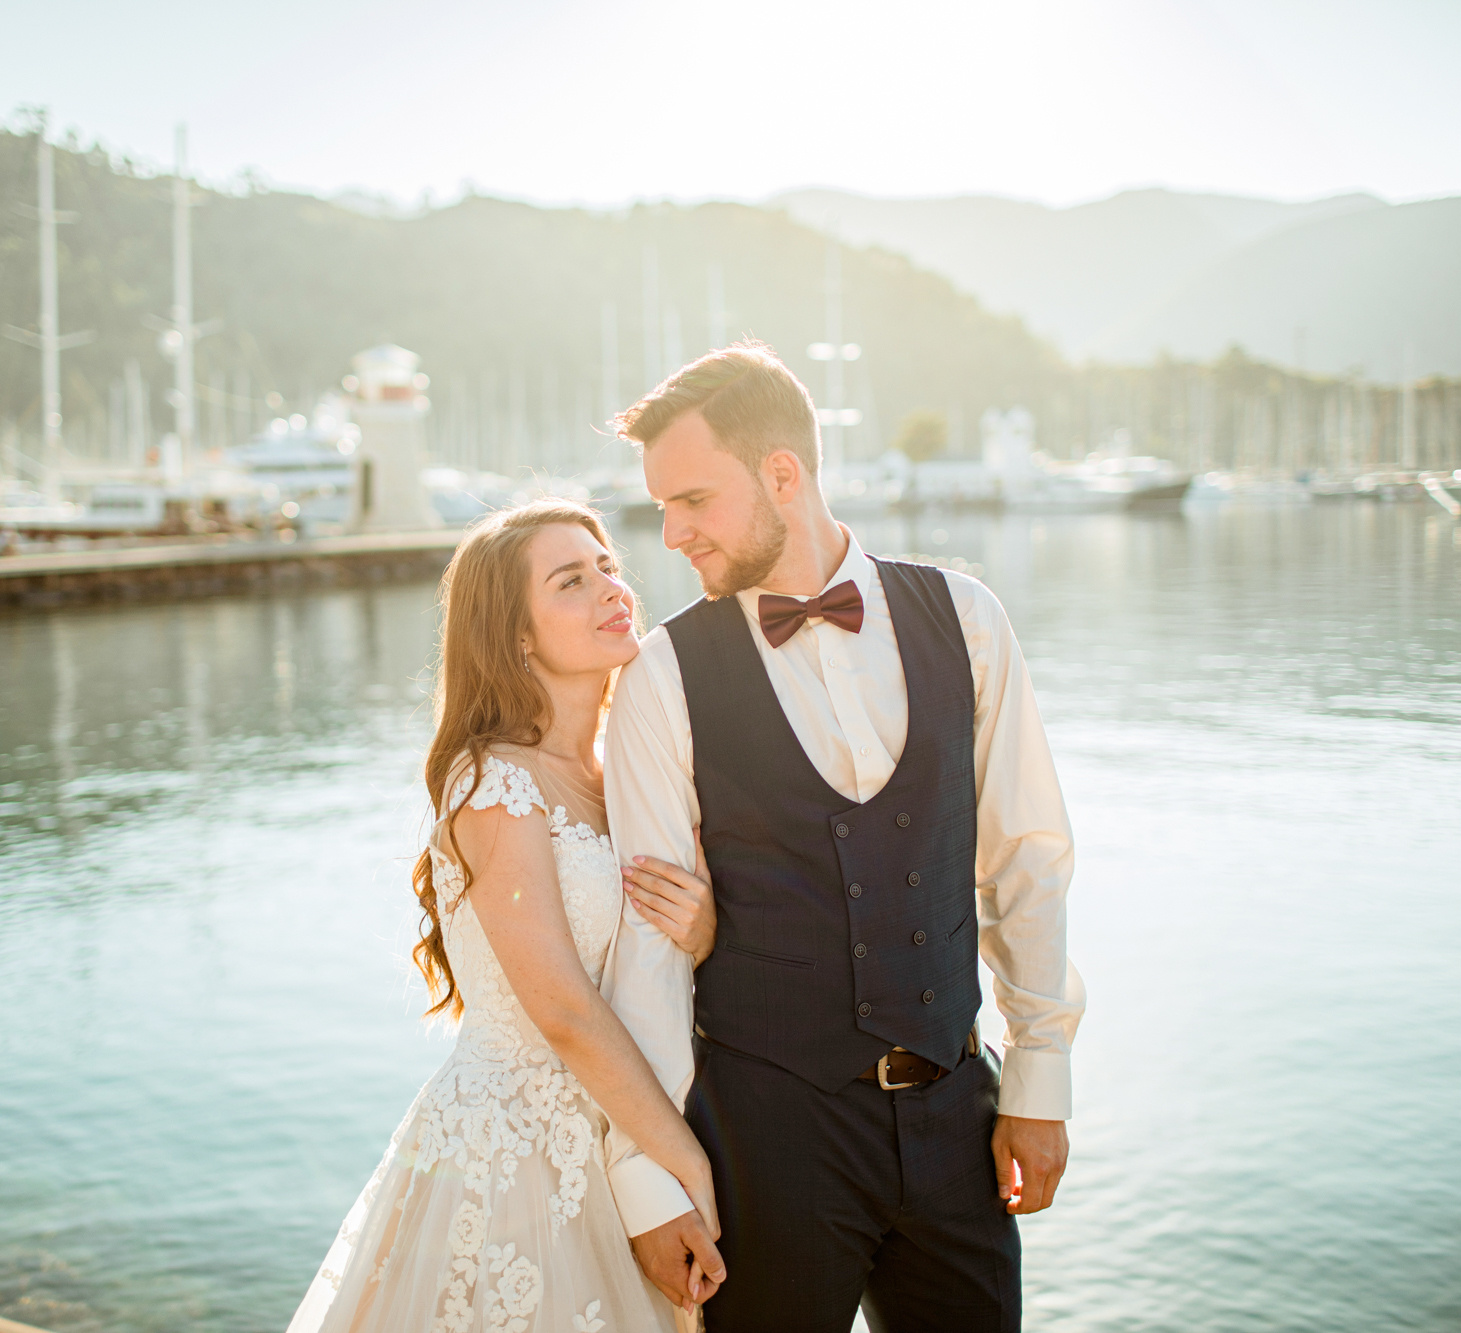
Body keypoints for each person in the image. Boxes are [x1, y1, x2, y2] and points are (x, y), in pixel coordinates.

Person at [602, 343, 1086, 1332]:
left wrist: (1039, 1078)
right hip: (767, 1138)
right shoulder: (662, 675)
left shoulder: (969, 619)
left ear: (782, 473)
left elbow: (1025, 860)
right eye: (661, 506)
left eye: (691, 499)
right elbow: (645, 948)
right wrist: (647, 1180)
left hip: (958, 1113)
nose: (670, 533)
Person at [288, 500, 728, 1333]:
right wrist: (681, 1161)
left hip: (621, 1130)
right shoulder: (493, 782)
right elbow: (560, 1006)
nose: (610, 587)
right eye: (572, 579)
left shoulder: (630, 776)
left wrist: (703, 933)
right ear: (517, 636)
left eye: (607, 565)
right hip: (516, 1155)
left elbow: (654, 970)